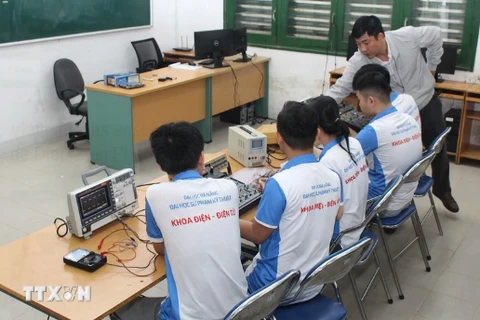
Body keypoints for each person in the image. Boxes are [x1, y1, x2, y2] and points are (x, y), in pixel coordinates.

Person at [326, 15, 459, 213]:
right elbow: (342, 87)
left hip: (424, 99)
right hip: (398, 111)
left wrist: (432, 66)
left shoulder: (407, 36)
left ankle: (443, 189)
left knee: (437, 147)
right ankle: (393, 203)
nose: (362, 49)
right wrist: (318, 107)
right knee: (396, 156)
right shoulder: (359, 59)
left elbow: (436, 35)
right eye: (358, 44)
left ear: (380, 36)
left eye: (366, 42)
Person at [240, 101, 343, 303]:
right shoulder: (333, 176)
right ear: (316, 135)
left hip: (274, 290)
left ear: (278, 137)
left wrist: (226, 216)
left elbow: (258, 234)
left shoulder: (279, 185)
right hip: (314, 283)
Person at [145, 122, 247, 320]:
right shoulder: (228, 188)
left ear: (160, 165)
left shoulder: (155, 195)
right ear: (201, 157)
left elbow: (159, 248)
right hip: (241, 310)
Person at [352, 70, 422, 217]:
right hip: (405, 197)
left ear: (371, 101)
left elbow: (342, 159)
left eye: (359, 99)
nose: (359, 105)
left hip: (380, 205)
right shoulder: (408, 119)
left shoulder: (374, 131)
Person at [309, 95, 369, 248]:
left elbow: (334, 213)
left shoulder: (328, 162)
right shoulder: (353, 143)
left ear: (316, 131)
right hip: (358, 224)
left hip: (341, 238)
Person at [355, 64, 421, 128]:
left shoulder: (381, 122)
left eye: (359, 99)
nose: (360, 103)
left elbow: (361, 138)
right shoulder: (408, 98)